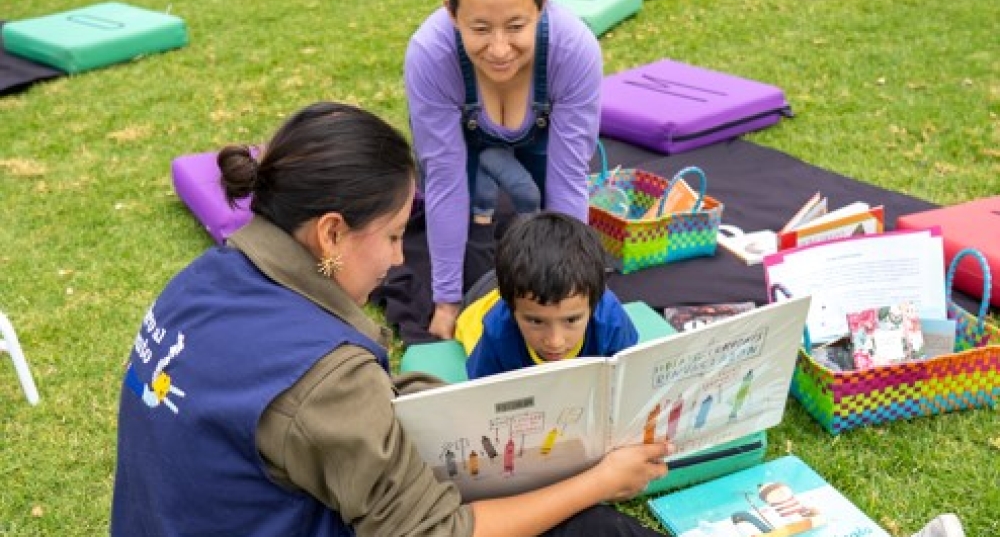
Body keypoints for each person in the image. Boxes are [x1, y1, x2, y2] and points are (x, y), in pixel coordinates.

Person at [110, 101, 675, 537]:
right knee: (582, 526)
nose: (401, 259)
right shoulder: (327, 378)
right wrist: (599, 481)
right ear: (332, 232)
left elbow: (325, 414)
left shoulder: (202, 280)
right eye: (394, 234)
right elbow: (437, 530)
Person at [405, 0, 603, 341]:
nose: (498, 49)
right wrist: (447, 301)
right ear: (452, 14)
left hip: (542, 147)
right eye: (479, 28)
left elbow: (567, 180)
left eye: (516, 26)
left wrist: (573, 295)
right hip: (462, 155)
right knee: (446, 207)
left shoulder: (574, 49)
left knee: (552, 207)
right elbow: (444, 177)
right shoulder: (430, 53)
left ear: (541, 8)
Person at [456, 211, 638, 379]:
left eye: (571, 320)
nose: (555, 342)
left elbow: (628, 377)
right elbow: (483, 396)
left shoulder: (611, 319)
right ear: (513, 312)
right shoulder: (497, 331)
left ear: (593, 305)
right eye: (536, 321)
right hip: (484, 295)